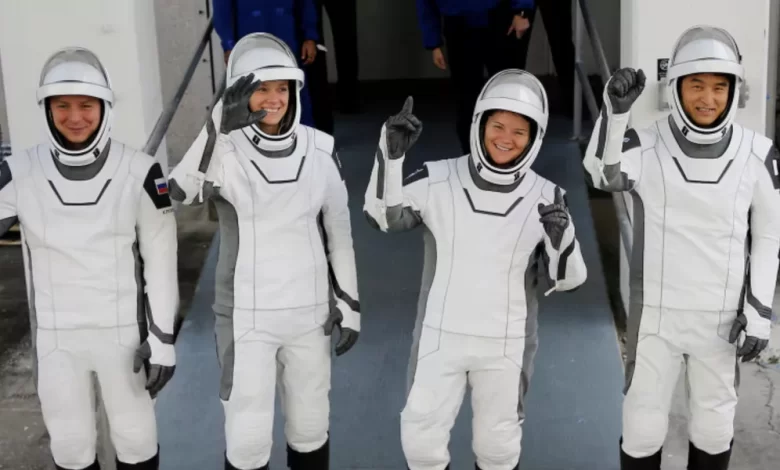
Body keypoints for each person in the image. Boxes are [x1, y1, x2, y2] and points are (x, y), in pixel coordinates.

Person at [364, 70, 588, 470]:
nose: (506, 138)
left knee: (498, 448)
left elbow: (569, 279)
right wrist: (390, 157)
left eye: (519, 131)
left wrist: (562, 237)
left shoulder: (548, 195)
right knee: (420, 442)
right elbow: (382, 217)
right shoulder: (437, 177)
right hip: (439, 336)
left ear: (534, 137)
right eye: (498, 125)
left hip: (506, 343)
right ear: (480, 124)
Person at [582, 25, 780, 470]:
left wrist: (759, 311)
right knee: (642, 429)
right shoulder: (647, 143)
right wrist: (614, 113)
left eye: (718, 87)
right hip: (656, 318)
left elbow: (770, 235)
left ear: (734, 91)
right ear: (676, 88)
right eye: (696, 86)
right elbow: (601, 174)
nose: (707, 98)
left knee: (714, 429)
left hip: (723, 320)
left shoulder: (758, 153)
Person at [168, 33, 360, 470]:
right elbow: (180, 191)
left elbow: (339, 232)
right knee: (248, 439)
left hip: (310, 315)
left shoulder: (321, 149)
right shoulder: (223, 151)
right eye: (261, 88)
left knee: (310, 429)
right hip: (245, 318)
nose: (274, 99)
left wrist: (350, 304)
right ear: (240, 93)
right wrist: (217, 125)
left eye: (282, 88)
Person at [0, 47, 179, 470]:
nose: (75, 117)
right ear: (47, 108)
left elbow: (161, 262)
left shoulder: (141, 171)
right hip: (57, 340)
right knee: (71, 447)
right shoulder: (18, 172)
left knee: (137, 442)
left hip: (125, 337)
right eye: (62, 105)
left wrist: (162, 339)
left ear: (104, 107)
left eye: (86, 105)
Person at [415, 0, 536, 154]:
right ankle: (472, 156)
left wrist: (522, 11)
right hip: (459, 27)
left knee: (507, 95)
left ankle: (509, 155)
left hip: (499, 19)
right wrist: (433, 43)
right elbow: (425, 3)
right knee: (467, 100)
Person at [213, 0, 320, 128]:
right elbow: (222, 11)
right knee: (251, 94)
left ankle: (302, 135)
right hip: (248, 44)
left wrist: (310, 37)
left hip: (287, 40)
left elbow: (306, 4)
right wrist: (228, 44)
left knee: (294, 93)